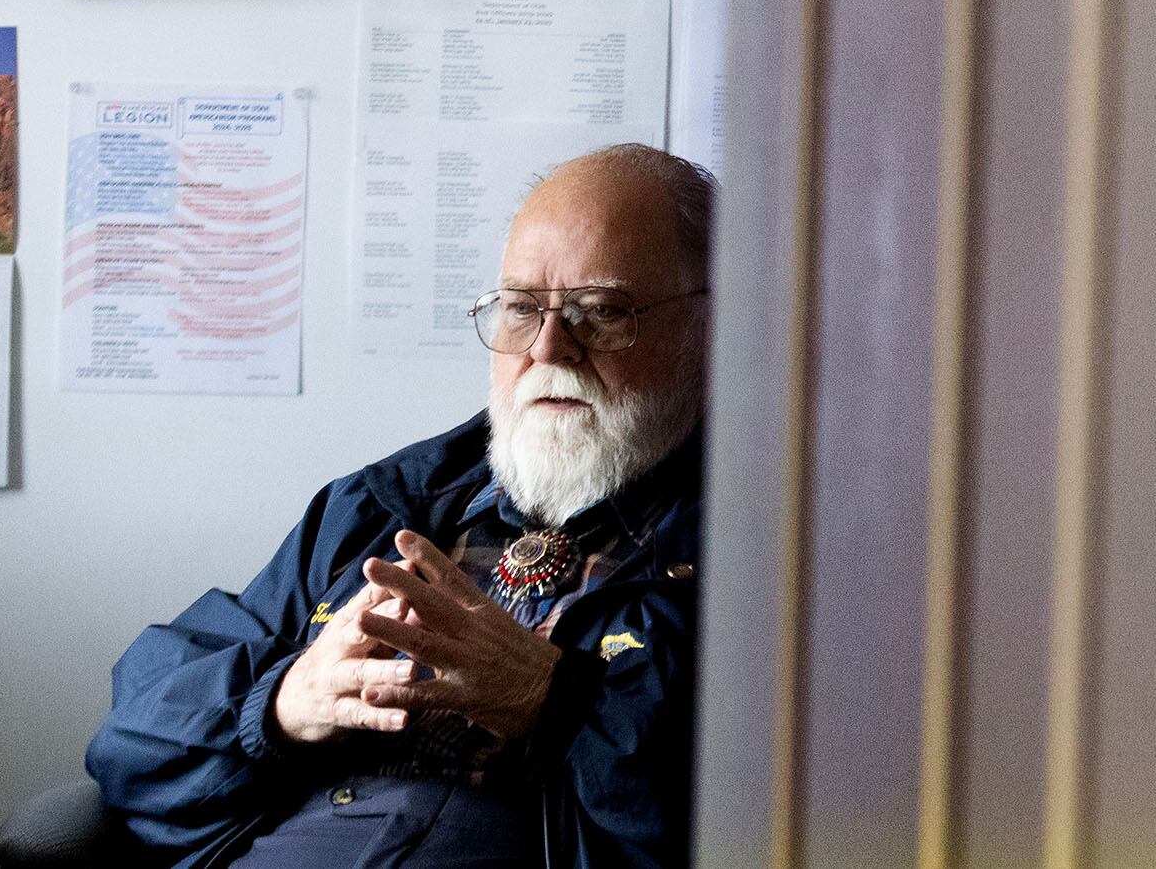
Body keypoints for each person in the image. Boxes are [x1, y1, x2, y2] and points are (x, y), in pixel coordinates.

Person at [84, 147, 714, 869]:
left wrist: (556, 703)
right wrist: (282, 705)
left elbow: (774, 823)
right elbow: (135, 734)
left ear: (714, 329)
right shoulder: (382, 506)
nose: (547, 348)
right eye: (519, 309)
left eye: (599, 312)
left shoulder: (780, 546)